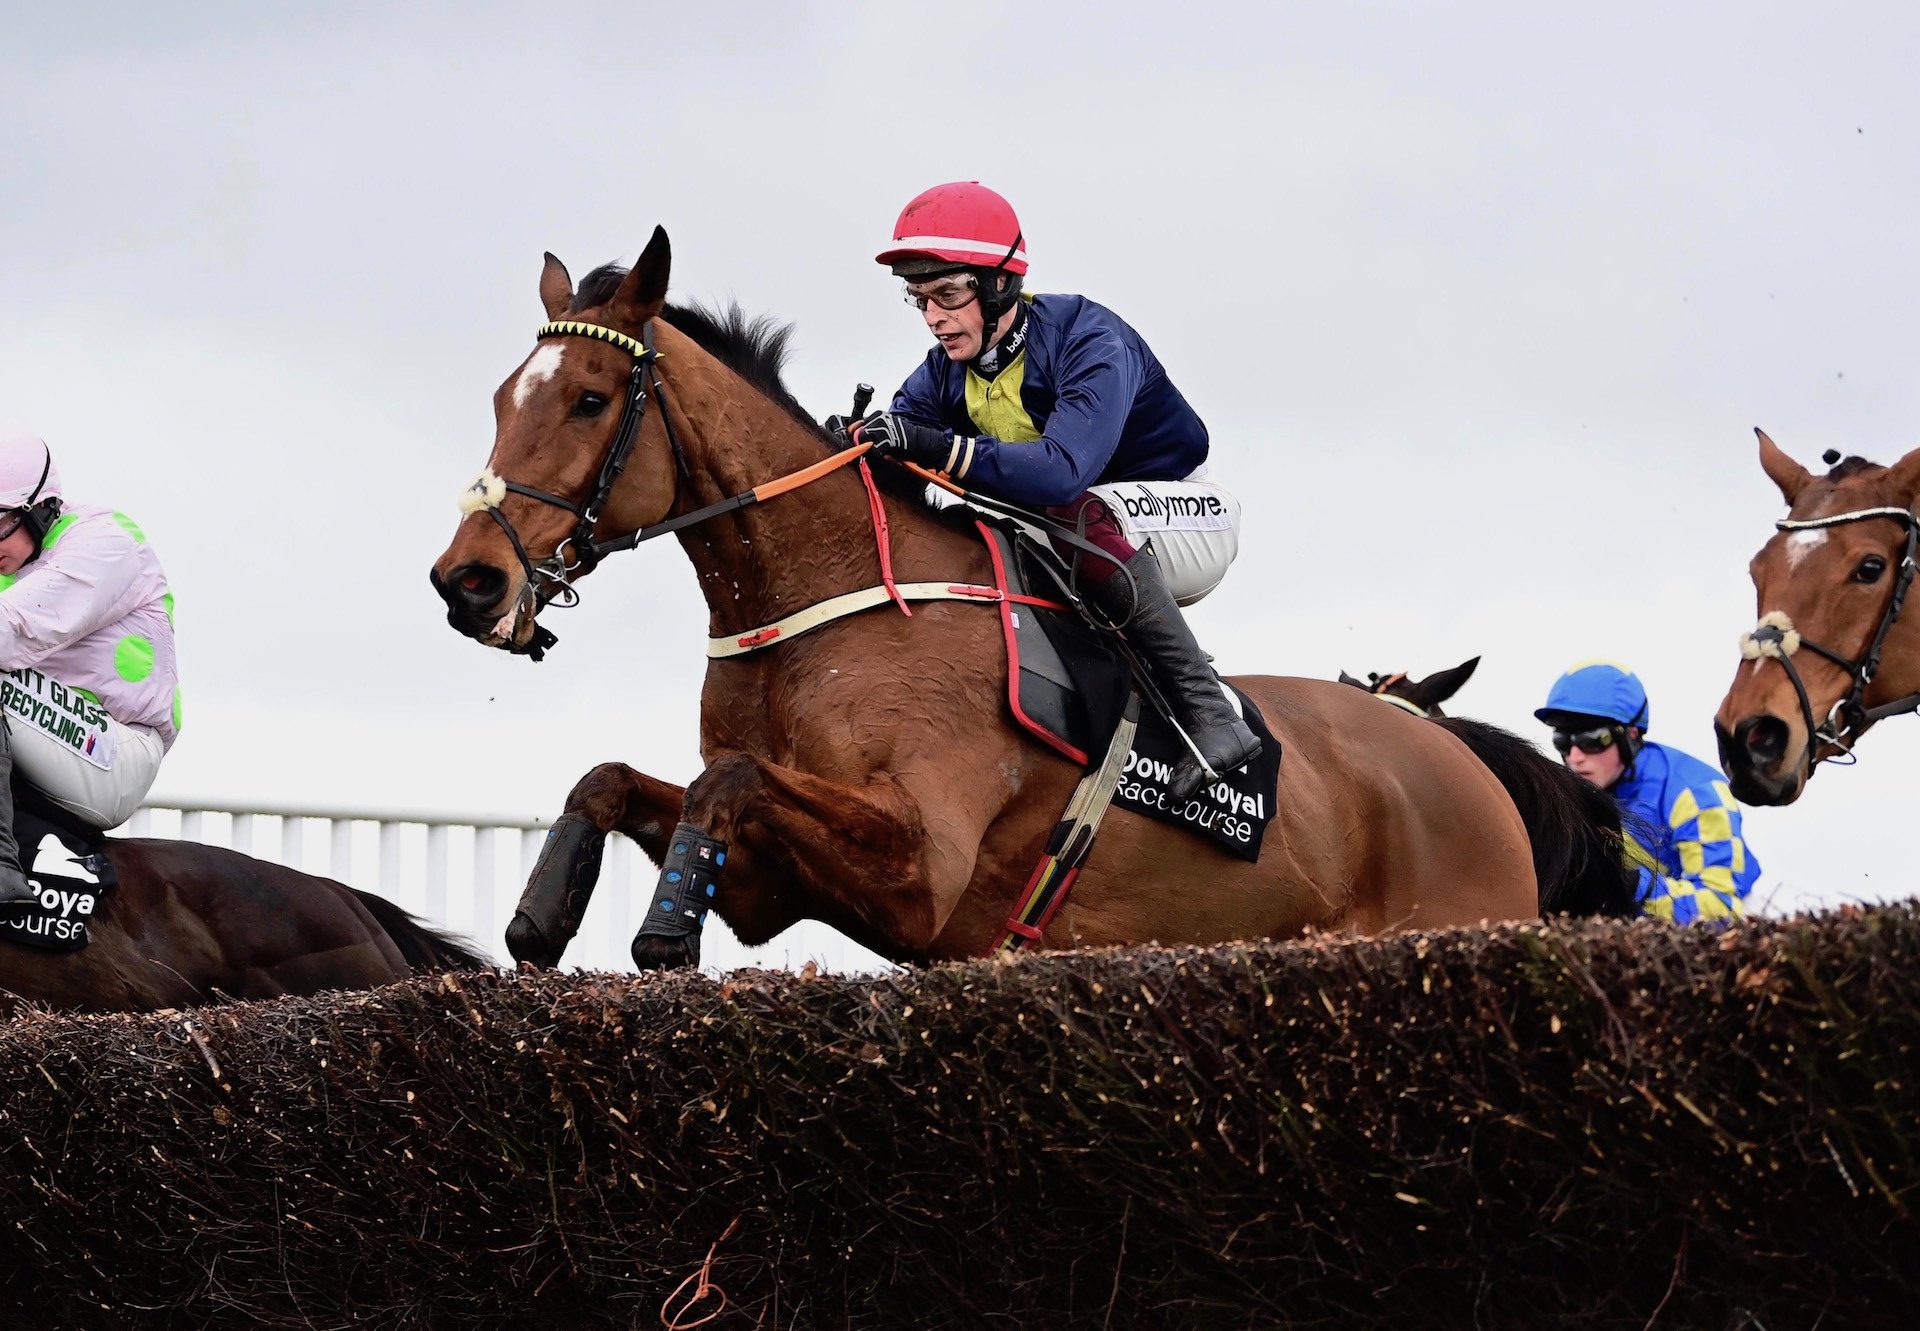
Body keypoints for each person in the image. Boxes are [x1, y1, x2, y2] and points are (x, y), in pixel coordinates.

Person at [847, 180, 1258, 799]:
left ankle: (1211, 712)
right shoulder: (946, 370)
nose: (934, 318)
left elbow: (1061, 471)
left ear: (1000, 285)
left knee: (1073, 511)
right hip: (1087, 527)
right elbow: (901, 450)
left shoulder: (1089, 339)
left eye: (948, 295)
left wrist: (936, 446)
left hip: (1187, 515)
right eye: (920, 299)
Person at [0, 425, 179, 902]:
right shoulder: (14, 555)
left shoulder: (105, 541)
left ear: (41, 508)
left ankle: (0, 864)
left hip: (114, 754)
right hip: (40, 736)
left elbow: (10, 630)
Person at [1535, 661, 1758, 923]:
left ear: (1631, 734)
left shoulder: (1697, 793)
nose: (1575, 757)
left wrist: (1626, 883)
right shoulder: (1570, 792)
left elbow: (1720, 909)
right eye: (1562, 740)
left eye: (1592, 739)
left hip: (1734, 926)